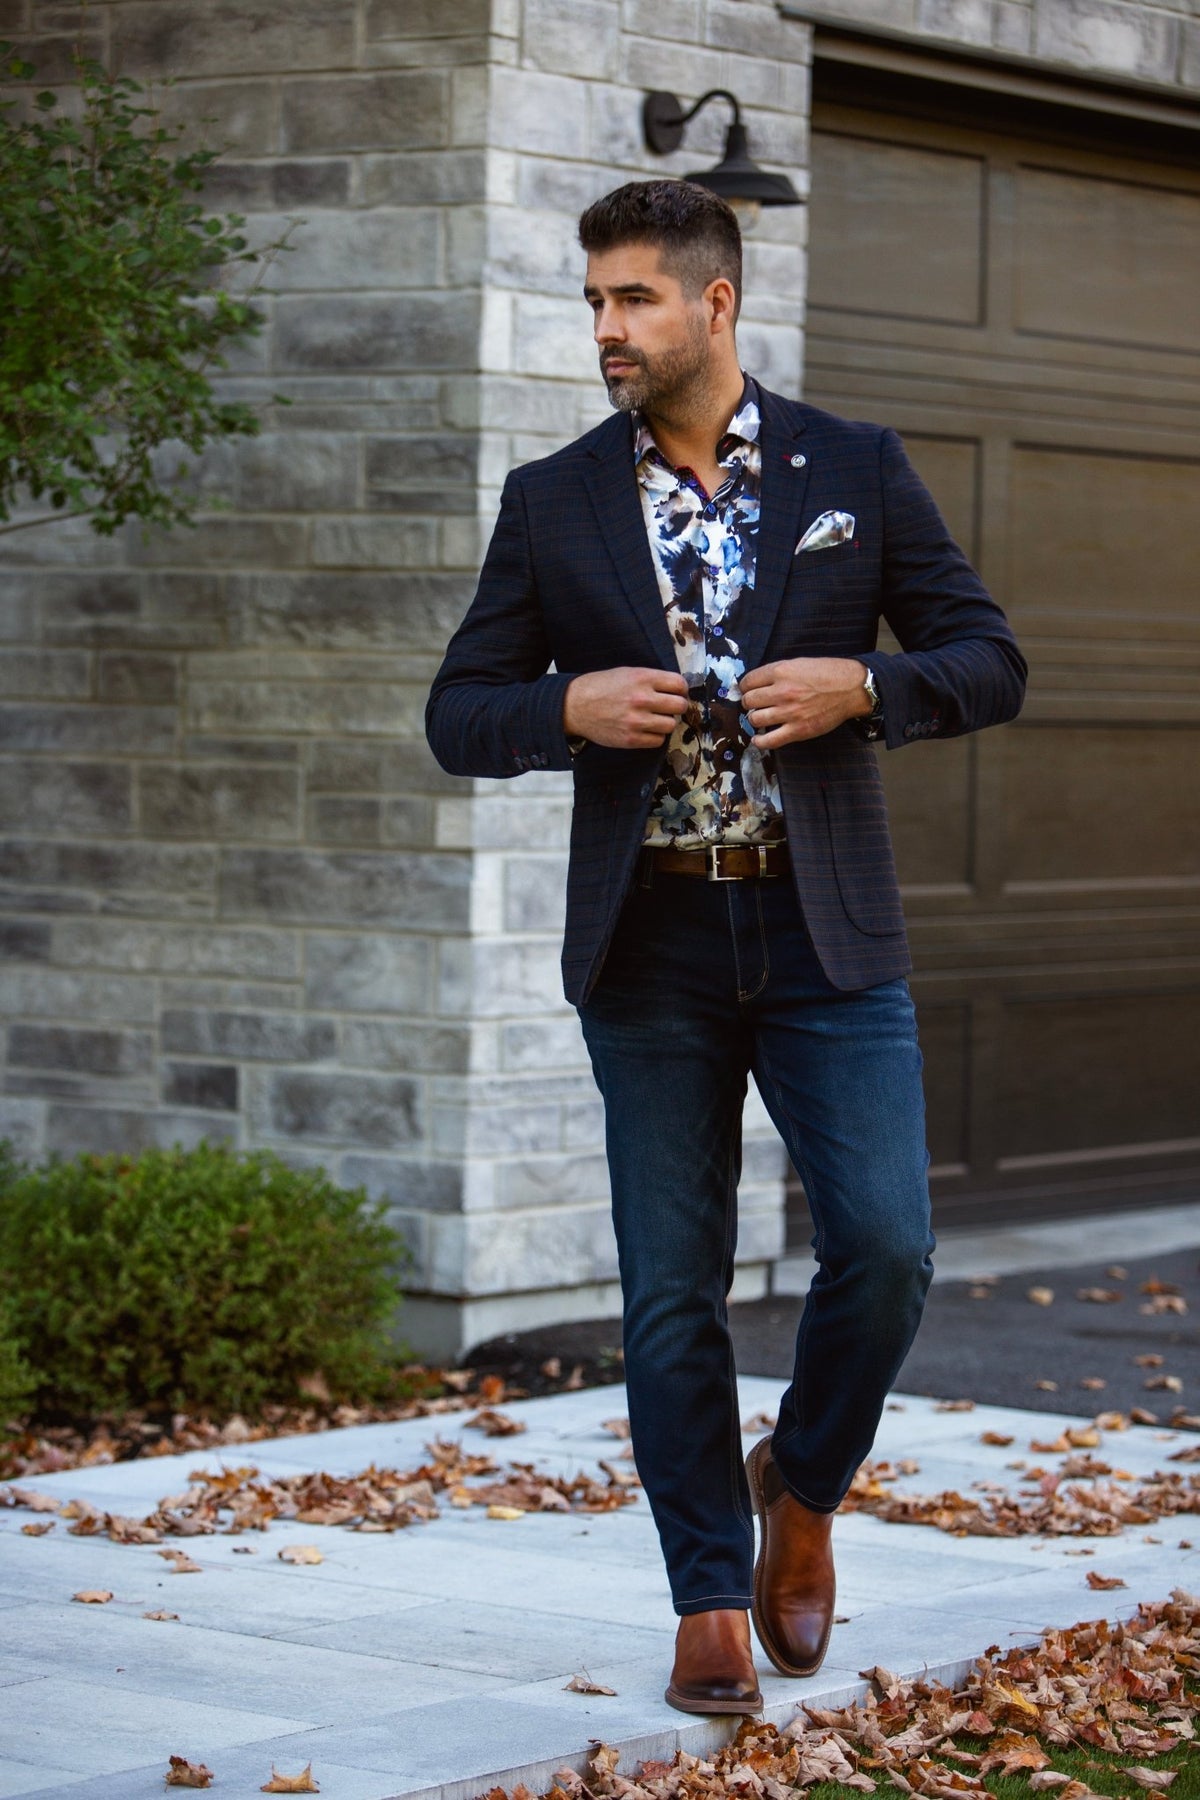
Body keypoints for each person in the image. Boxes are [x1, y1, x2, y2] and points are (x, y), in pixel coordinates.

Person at [426, 180, 1026, 1716]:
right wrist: (563, 708)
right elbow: (459, 713)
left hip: (827, 929)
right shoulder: (555, 498)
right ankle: (706, 1593)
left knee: (885, 1248)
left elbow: (989, 660)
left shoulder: (855, 469)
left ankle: (801, 1488)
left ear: (715, 302)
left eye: (633, 299)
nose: (608, 331)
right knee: (669, 1289)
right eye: (595, 303)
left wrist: (865, 690)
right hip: (652, 942)